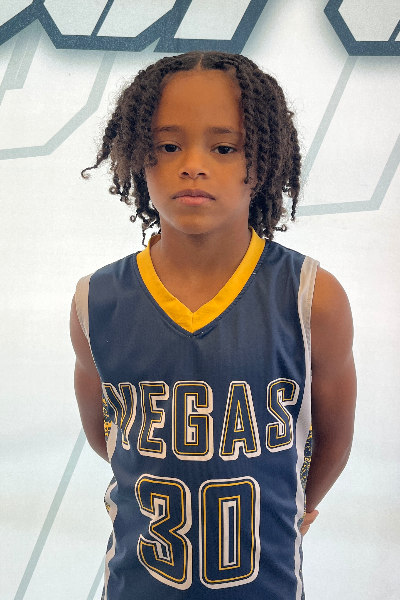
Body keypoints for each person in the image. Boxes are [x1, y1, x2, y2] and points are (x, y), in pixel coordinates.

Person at [70, 51, 357, 600]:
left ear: (263, 161)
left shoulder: (312, 297)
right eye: (168, 146)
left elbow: (333, 439)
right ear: (137, 156)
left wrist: (297, 506)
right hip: (139, 584)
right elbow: (108, 439)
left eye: (224, 148)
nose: (193, 165)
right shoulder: (96, 299)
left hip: (265, 584)